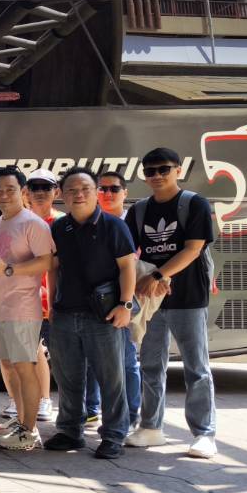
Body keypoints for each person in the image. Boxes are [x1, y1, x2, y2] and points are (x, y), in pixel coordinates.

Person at [128, 147, 218, 457]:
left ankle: (204, 433)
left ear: (178, 170)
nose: (156, 176)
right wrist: (147, 281)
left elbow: (193, 249)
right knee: (151, 365)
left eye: (163, 169)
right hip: (151, 301)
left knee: (196, 367)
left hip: (189, 297)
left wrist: (158, 275)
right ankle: (151, 427)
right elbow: (128, 253)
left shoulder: (195, 204)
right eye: (150, 171)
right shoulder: (139, 210)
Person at [43, 166, 137, 458]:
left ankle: (113, 436)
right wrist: (52, 305)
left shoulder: (114, 226)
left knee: (111, 379)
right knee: (68, 379)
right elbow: (54, 268)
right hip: (65, 314)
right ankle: (70, 431)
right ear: (62, 195)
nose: (79, 194)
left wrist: (125, 305)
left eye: (85, 189)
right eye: (72, 190)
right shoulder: (59, 228)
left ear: (96, 192)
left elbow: (127, 267)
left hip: (104, 315)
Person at [0, 168, 54, 451]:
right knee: (8, 366)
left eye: (10, 189)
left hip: (23, 308)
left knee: (25, 367)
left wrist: (10, 269)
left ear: (22, 192)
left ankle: (30, 430)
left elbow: (47, 262)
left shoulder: (33, 224)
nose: (3, 195)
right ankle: (21, 422)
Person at [84, 169, 143, 432]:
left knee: (126, 360)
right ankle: (91, 410)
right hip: (92, 300)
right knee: (91, 359)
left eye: (114, 189)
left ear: (125, 193)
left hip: (123, 300)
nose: (108, 194)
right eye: (103, 189)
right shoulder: (88, 219)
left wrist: (126, 303)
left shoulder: (134, 222)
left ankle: (130, 415)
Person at [24, 169, 60, 424]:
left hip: (55, 301)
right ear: (26, 192)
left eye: (45, 187)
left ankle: (48, 401)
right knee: (26, 354)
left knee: (59, 356)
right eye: (34, 187)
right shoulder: (20, 221)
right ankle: (25, 401)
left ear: (55, 192)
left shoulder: (62, 223)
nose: (39, 192)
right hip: (25, 301)